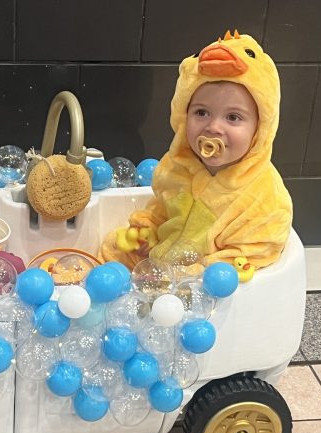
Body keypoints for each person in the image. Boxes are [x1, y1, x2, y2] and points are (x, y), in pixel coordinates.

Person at [100, 30, 292, 279]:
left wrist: (196, 273)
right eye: (201, 113)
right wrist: (147, 232)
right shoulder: (178, 166)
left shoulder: (264, 197)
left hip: (206, 283)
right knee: (112, 248)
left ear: (260, 129)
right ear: (184, 115)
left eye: (233, 117)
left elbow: (255, 251)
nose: (213, 127)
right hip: (163, 265)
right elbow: (162, 210)